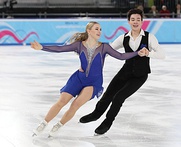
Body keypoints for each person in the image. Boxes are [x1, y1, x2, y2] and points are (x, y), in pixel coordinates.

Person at [30, 21, 146, 137]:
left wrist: (137, 53)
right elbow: (61, 49)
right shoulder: (79, 45)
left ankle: (59, 125)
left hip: (93, 83)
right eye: (96, 29)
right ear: (89, 31)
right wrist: (42, 47)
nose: (99, 31)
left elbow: (121, 56)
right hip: (78, 78)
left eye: (100, 29)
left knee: (75, 105)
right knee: (61, 101)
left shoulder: (104, 47)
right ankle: (43, 124)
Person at [79, 9, 165, 135]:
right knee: (108, 94)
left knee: (119, 97)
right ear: (129, 21)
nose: (135, 22)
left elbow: (162, 55)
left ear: (142, 21)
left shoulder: (149, 37)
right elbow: (109, 51)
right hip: (125, 72)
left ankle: (107, 122)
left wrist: (148, 53)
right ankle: (96, 114)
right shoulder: (123, 38)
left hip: (140, 76)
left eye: (138, 19)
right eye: (133, 19)